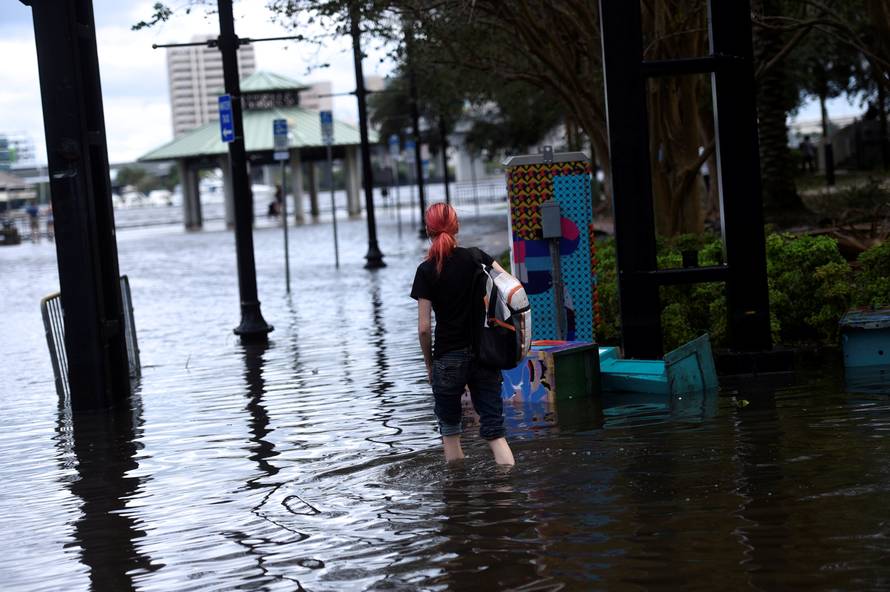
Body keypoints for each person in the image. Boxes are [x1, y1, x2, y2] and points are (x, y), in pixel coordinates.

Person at [410, 202, 515, 466]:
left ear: (427, 230)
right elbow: (512, 288)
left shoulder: (425, 271)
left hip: (447, 359)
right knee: (495, 433)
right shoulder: (476, 257)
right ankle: (508, 491)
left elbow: (424, 328)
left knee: (451, 433)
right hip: (484, 354)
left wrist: (429, 365)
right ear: (457, 227)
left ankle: (458, 496)